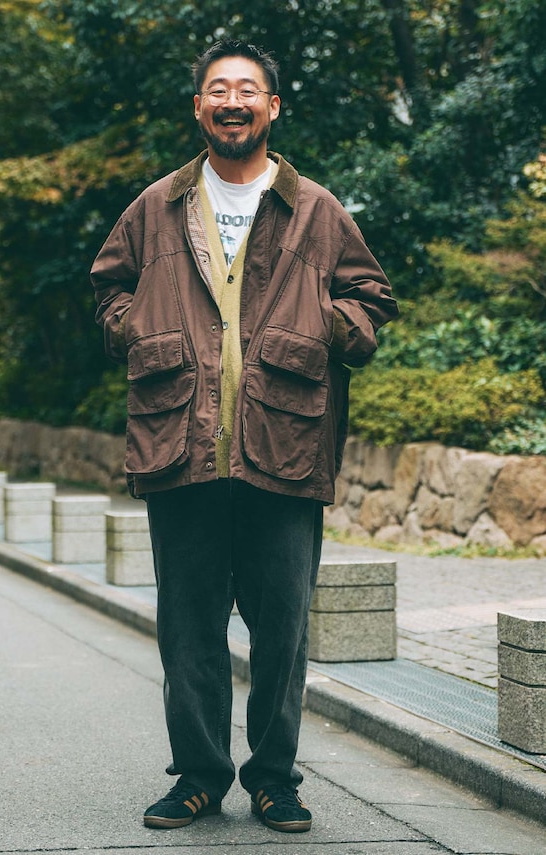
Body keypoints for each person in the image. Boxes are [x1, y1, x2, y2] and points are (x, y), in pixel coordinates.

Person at [90, 39, 398, 834]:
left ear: (272, 106)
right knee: (187, 629)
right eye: (218, 89)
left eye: (248, 90)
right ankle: (198, 775)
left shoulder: (318, 209)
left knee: (282, 632)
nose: (233, 102)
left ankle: (274, 779)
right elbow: (109, 287)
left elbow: (371, 297)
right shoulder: (155, 205)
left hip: (286, 445)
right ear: (199, 106)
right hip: (180, 444)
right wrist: (134, 325)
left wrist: (324, 323)